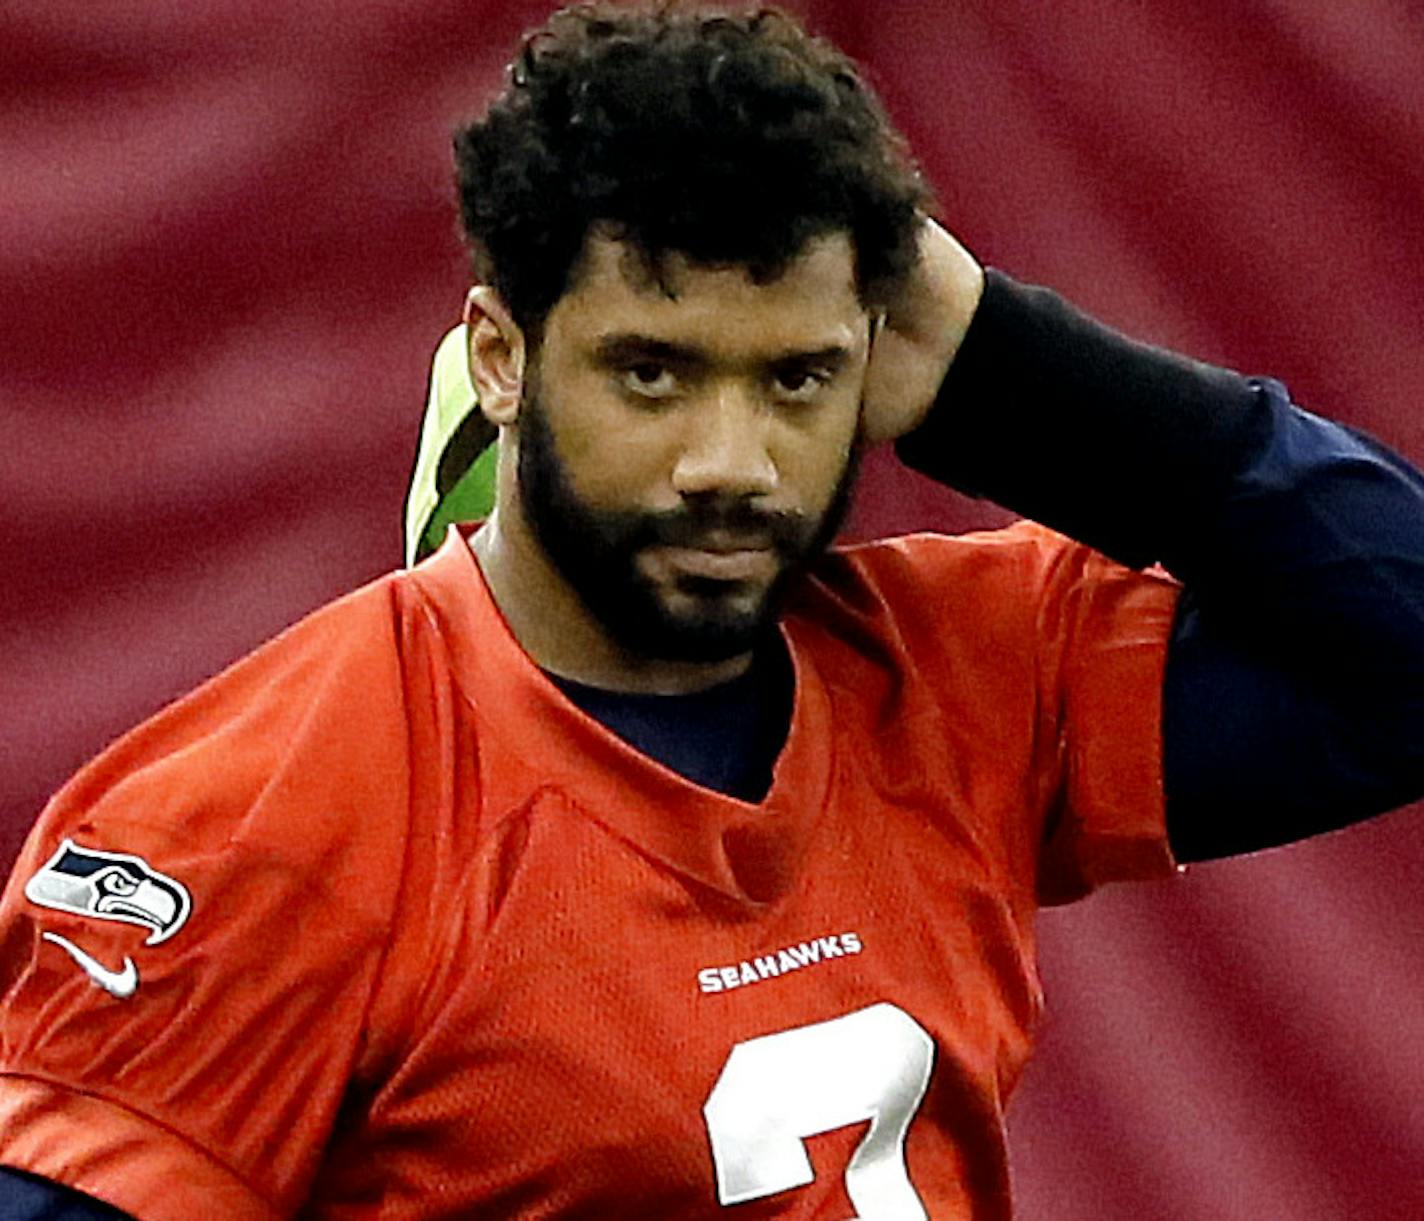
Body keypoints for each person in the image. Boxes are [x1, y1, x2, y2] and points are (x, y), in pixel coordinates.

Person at [2, 4, 1422, 1218]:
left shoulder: (956, 671)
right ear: (502, 358)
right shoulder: (256, 824)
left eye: (795, 380)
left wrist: (1011, 366)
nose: (729, 465)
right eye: (653, 375)